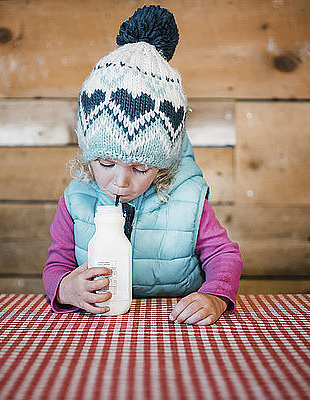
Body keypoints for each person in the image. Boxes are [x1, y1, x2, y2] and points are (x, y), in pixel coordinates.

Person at [42, 5, 242, 325]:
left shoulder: (187, 199)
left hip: (177, 322)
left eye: (139, 168)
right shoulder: (76, 199)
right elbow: (57, 264)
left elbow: (223, 254)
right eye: (106, 162)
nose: (120, 182)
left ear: (162, 166)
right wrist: (65, 288)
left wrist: (215, 296)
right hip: (100, 324)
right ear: (88, 154)